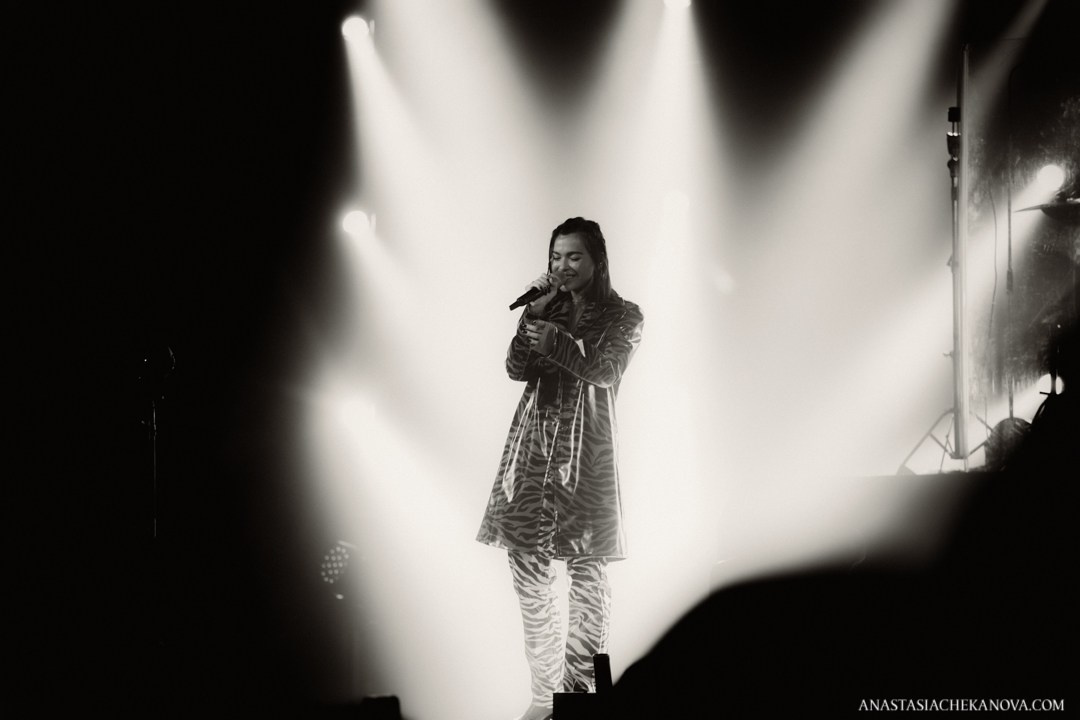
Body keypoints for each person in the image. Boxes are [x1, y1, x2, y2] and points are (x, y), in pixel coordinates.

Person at [476, 217, 644, 720]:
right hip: (532, 451)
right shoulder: (547, 308)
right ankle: (545, 694)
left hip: (586, 454)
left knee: (587, 572)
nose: (562, 266)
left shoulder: (624, 316)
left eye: (573, 256)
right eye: (555, 257)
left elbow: (605, 370)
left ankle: (578, 695)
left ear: (596, 261)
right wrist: (532, 317)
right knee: (527, 571)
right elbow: (516, 369)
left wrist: (555, 339)